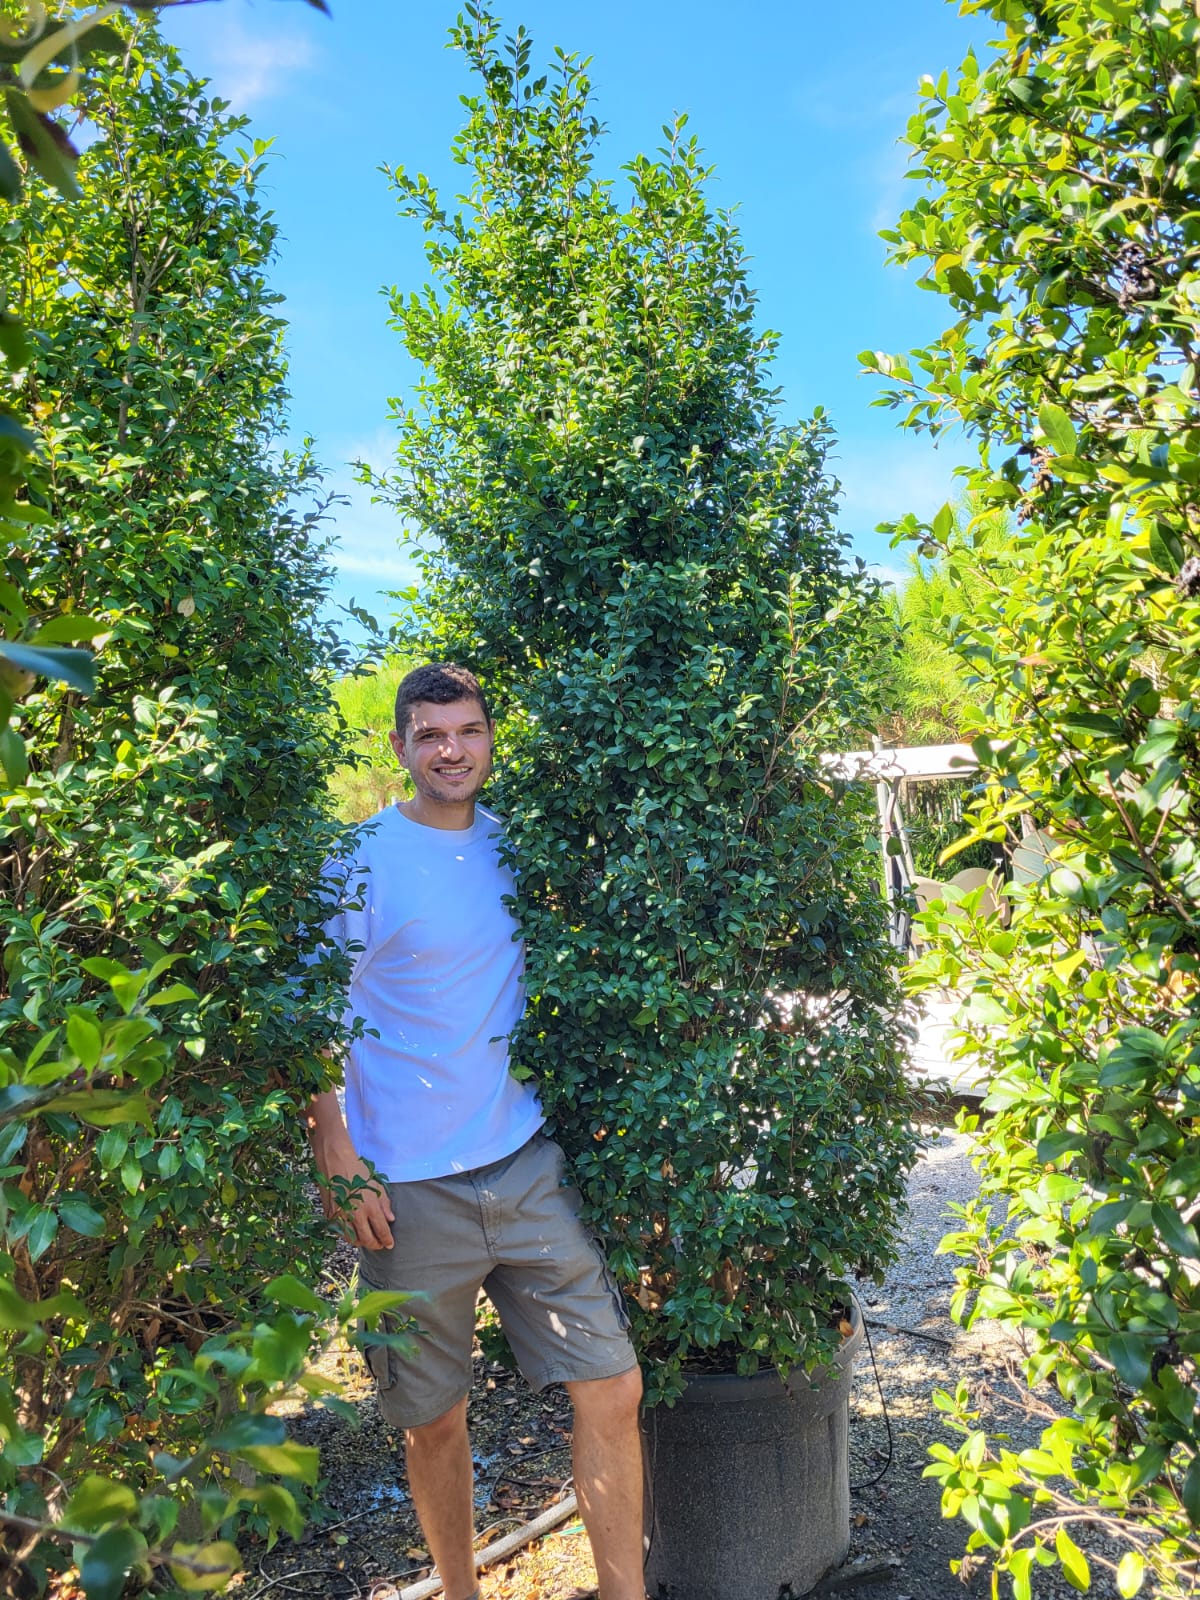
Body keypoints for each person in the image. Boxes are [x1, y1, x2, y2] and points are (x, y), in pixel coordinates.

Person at [307, 662, 646, 1600]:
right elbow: (304, 1016)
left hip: (521, 1160)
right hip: (407, 1183)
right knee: (435, 1421)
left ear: (491, 737)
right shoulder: (359, 859)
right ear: (401, 746)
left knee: (613, 1386)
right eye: (430, 735)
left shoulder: (518, 848)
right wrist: (337, 1153)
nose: (451, 750)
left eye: (468, 731)